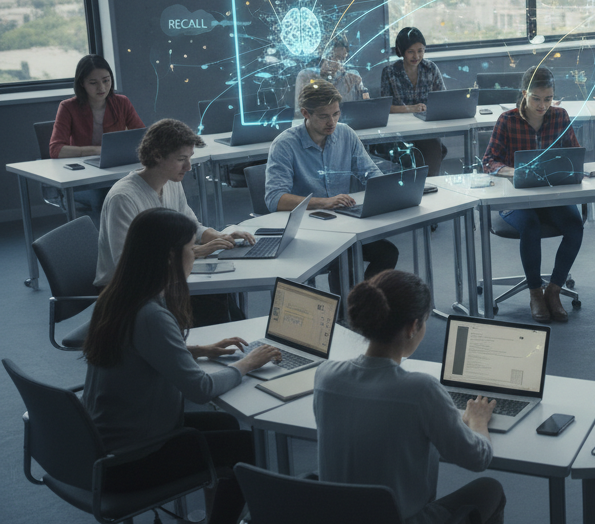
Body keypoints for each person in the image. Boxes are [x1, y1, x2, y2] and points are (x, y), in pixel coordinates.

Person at [81, 208, 282, 524]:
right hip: (130, 459)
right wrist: (247, 364)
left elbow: (137, 351)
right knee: (251, 450)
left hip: (101, 443)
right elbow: (201, 388)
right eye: (192, 248)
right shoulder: (152, 314)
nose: (196, 254)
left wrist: (199, 351)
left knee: (229, 430)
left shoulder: (119, 296)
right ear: (171, 257)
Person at [315, 270, 505, 524]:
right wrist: (478, 421)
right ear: (414, 326)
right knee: (491, 490)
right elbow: (477, 457)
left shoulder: (325, 376)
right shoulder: (421, 390)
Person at [95, 119, 254, 323]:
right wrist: (195, 252)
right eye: (181, 159)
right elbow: (127, 265)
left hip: (162, 280)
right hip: (128, 292)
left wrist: (220, 236)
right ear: (157, 156)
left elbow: (191, 227)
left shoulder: (171, 182)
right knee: (212, 301)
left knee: (219, 295)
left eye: (190, 158)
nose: (188, 167)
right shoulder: (123, 198)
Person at [265, 78, 399, 280]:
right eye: (323, 116)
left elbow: (370, 174)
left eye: (336, 114)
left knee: (388, 253)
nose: (332, 122)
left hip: (342, 225)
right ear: (305, 113)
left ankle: (367, 305)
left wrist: (392, 191)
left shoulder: (345, 134)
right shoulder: (285, 144)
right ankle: (349, 309)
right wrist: (324, 202)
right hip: (306, 230)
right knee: (346, 260)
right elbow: (274, 199)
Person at [481, 64, 585, 323]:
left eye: (548, 99)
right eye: (536, 99)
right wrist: (513, 171)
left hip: (550, 196)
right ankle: (535, 293)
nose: (542, 105)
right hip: (517, 199)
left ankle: (554, 290)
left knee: (575, 225)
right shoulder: (507, 120)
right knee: (530, 226)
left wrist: (569, 167)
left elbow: (575, 154)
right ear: (524, 93)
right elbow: (488, 161)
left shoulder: (560, 116)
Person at [50, 54, 145, 217]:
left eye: (106, 80)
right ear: (82, 83)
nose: (101, 87)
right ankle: (106, 241)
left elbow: (144, 138)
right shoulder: (67, 107)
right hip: (83, 180)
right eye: (93, 83)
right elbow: (56, 149)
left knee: (146, 186)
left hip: (115, 172)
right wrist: (96, 150)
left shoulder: (121, 102)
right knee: (106, 194)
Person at [381, 26, 447, 176]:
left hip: (426, 129)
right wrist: (411, 108)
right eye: (411, 51)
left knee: (434, 152)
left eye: (420, 51)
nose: (416, 56)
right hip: (399, 132)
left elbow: (443, 99)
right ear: (401, 50)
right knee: (414, 159)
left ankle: (432, 191)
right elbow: (385, 107)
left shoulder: (431, 68)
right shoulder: (389, 72)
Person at [294, 34, 368, 112]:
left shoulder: (353, 77)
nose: (339, 63)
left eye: (343, 59)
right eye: (336, 58)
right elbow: (300, 113)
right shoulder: (306, 76)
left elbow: (367, 106)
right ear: (324, 57)